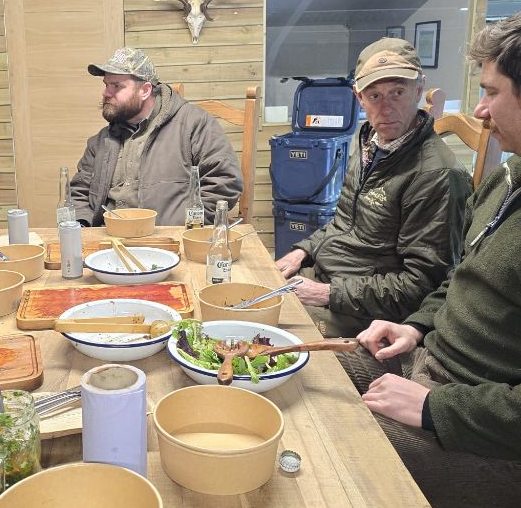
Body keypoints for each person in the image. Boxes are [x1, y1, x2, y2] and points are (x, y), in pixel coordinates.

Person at [340, 13, 521, 508]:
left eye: (491, 92)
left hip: (485, 428)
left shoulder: (440, 172)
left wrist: (435, 407)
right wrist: (416, 327)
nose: (480, 111)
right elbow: (462, 276)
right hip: (433, 362)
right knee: (313, 377)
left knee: (336, 450)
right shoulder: (509, 178)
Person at [274, 38, 472, 337]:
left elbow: (422, 288)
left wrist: (325, 294)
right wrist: (301, 252)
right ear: (359, 98)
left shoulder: (437, 175)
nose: (386, 107)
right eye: (375, 95)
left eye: (398, 92)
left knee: (264, 333)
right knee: (239, 293)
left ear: (419, 89)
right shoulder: (369, 144)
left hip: (369, 314)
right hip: (328, 279)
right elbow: (342, 224)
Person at [71, 47, 243, 225]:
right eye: (106, 85)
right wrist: (82, 227)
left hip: (172, 243)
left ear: (145, 90)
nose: (106, 93)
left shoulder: (195, 124)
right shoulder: (101, 141)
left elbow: (224, 183)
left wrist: (188, 228)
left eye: (116, 86)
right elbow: (79, 192)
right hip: (108, 243)